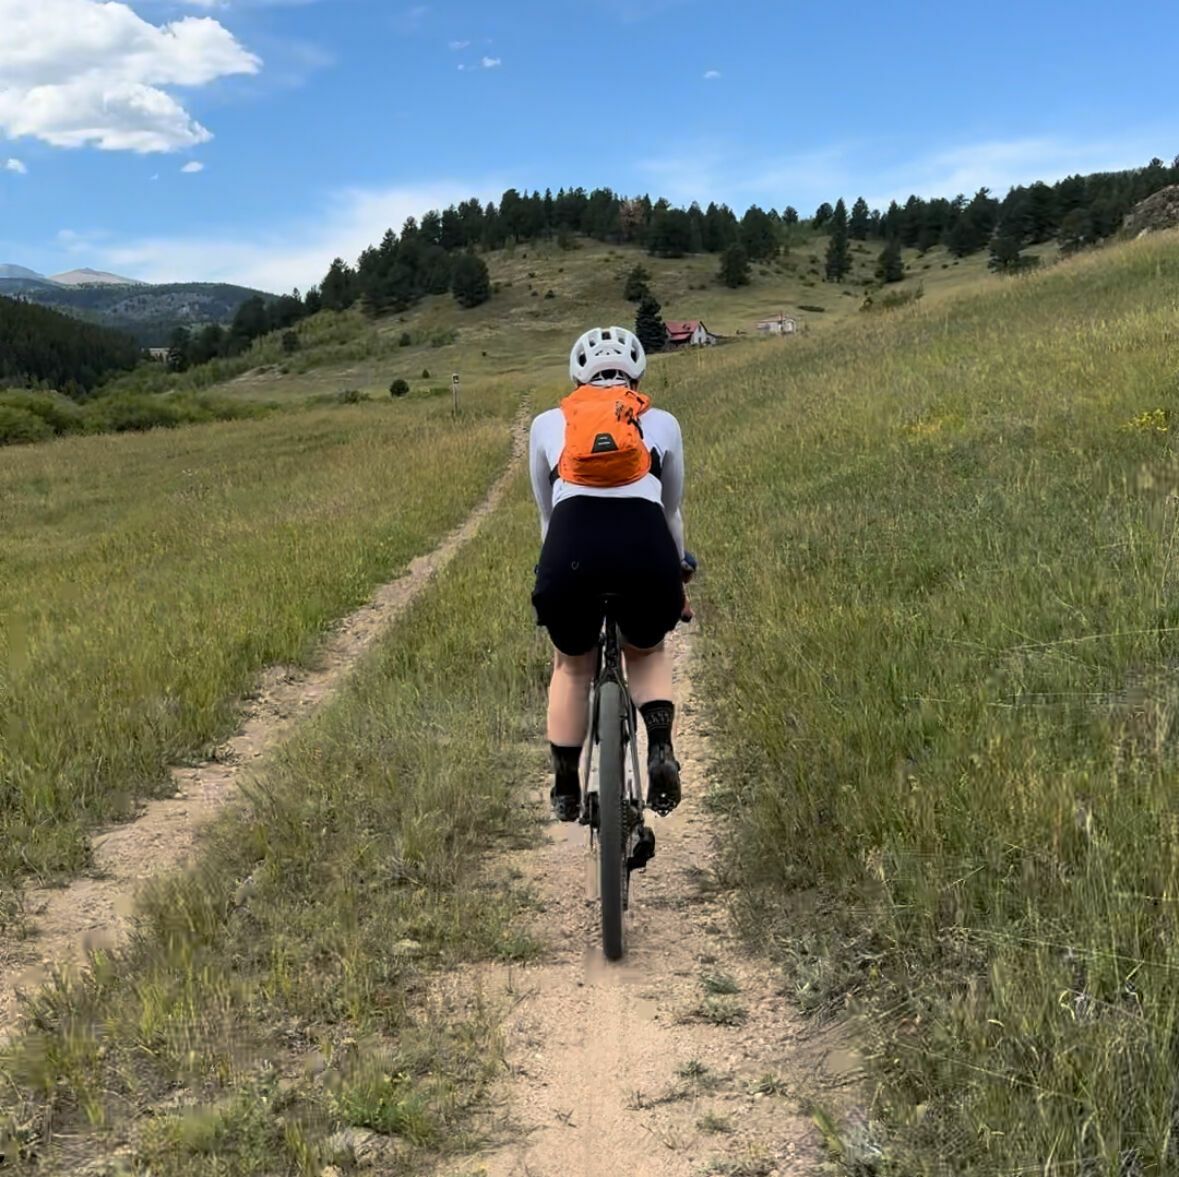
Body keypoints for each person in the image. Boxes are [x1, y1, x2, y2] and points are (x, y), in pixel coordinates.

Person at [529, 325, 691, 824]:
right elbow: (670, 512)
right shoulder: (661, 422)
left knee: (571, 665)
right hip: (645, 550)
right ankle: (659, 748)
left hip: (571, 552)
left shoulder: (547, 423)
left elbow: (547, 516)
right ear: (635, 374)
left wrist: (553, 571)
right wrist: (678, 573)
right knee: (646, 650)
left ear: (578, 378)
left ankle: (565, 783)